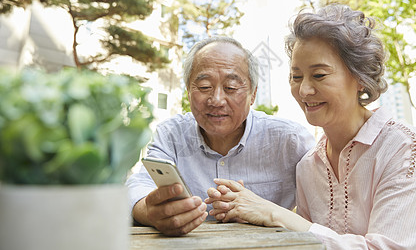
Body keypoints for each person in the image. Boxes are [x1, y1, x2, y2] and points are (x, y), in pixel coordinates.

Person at [206, 5, 416, 249]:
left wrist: (275, 214)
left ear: (359, 78)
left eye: (319, 75)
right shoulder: (308, 167)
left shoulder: (404, 146)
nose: (304, 90)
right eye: (296, 76)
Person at [126, 36, 316, 236]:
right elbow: (138, 185)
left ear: (253, 94)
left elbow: (323, 210)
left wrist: (264, 212)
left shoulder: (289, 140)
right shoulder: (171, 134)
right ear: (189, 91)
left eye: (231, 88)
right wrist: (151, 211)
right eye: (205, 87)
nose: (216, 100)